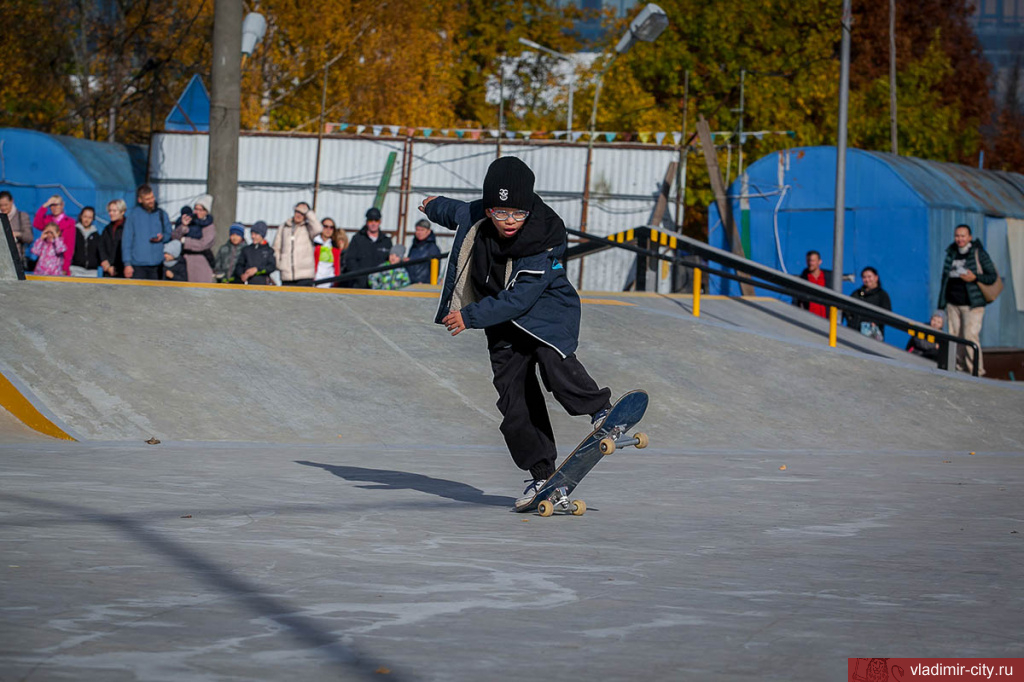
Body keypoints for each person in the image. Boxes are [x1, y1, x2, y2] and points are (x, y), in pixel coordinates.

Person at [421, 156, 613, 510]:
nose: (509, 222)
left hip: (544, 314)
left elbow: (519, 299)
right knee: (513, 402)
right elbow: (454, 211)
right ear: (489, 207)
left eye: (517, 214)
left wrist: (469, 316)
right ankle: (542, 473)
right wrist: (432, 206)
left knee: (550, 361)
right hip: (501, 326)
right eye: (500, 213)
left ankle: (600, 408)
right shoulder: (477, 214)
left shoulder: (544, 237)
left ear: (528, 210)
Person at [937, 224, 998, 376]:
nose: (960, 239)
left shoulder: (978, 253)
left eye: (963, 236)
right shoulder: (951, 253)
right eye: (957, 236)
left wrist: (975, 277)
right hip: (953, 303)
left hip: (972, 304)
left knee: (970, 336)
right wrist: (941, 304)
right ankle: (958, 369)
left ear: (969, 237)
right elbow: (944, 279)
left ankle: (976, 371)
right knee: (954, 337)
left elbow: (992, 276)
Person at [122, 185, 172, 280]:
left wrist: (163, 237)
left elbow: (169, 234)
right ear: (140, 200)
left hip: (157, 265)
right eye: (147, 199)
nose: (151, 201)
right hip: (138, 265)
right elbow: (127, 240)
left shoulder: (161, 214)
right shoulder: (133, 215)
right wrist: (127, 263)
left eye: (152, 197)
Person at [343, 207, 393, 288]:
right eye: (370, 220)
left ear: (380, 222)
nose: (373, 223)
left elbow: (390, 262)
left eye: (376, 221)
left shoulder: (386, 241)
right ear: (366, 222)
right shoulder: (357, 239)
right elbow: (350, 260)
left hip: (380, 285)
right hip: (360, 285)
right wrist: (360, 277)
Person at [172, 194, 216, 283]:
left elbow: (203, 244)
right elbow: (175, 237)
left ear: (206, 211)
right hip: (184, 261)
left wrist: (185, 241)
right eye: (195, 209)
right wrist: (183, 226)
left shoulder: (209, 227)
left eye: (200, 210)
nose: (197, 212)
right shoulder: (188, 221)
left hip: (201, 262)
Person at [273, 201, 320, 286]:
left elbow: (318, 229)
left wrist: (308, 213)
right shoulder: (284, 227)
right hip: (287, 275)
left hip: (305, 275)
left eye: (302, 213)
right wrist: (279, 264)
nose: (299, 215)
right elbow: (276, 247)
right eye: (297, 211)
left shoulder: (308, 227)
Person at [843, 266, 892, 341]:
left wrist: (875, 323)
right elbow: (847, 308)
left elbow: (887, 313)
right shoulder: (857, 293)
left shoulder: (882, 295)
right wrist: (850, 321)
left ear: (876, 277)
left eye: (869, 277)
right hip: (854, 333)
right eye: (864, 277)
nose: (867, 280)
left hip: (872, 336)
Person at [33, 195, 76, 275]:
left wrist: (65, 267)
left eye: (57, 204)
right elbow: (36, 223)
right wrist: (45, 206)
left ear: (62, 205)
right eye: (52, 205)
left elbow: (69, 246)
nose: (55, 207)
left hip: (58, 265)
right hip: (43, 266)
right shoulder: (47, 219)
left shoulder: (70, 222)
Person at [234, 221, 277, 285]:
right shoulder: (246, 250)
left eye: (256, 234)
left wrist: (257, 270)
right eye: (252, 234)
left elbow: (271, 267)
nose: (253, 236)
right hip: (247, 286)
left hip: (263, 286)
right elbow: (239, 265)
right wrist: (242, 274)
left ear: (262, 235)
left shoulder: (269, 251)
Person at [794, 250, 833, 318]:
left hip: (826, 320)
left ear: (819, 262)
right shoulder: (803, 279)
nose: (810, 263)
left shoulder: (827, 277)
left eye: (813, 261)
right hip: (809, 319)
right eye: (808, 261)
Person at [0, 191, 34, 268]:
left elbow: (29, 238)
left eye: (6, 205)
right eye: (1, 205)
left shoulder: (21, 216)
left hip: (15, 260)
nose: (3, 208)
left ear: (12, 201)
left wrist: (17, 234)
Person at [407, 218, 442, 284]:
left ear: (428, 231)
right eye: (417, 230)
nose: (419, 232)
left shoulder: (432, 248)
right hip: (411, 283)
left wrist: (426, 282)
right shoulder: (414, 246)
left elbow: (435, 269)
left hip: (424, 284)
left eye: (422, 230)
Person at [98, 199, 127, 277]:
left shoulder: (128, 228)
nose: (111, 213)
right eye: (110, 211)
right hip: (108, 270)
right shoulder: (107, 229)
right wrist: (104, 261)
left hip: (123, 270)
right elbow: (101, 246)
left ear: (122, 211)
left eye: (114, 211)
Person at [70, 206, 101, 276]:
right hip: (76, 269)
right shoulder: (74, 231)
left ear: (93, 218)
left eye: (90, 217)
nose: (87, 220)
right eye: (85, 216)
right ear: (81, 216)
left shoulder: (96, 235)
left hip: (91, 271)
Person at [313, 217, 343, 287]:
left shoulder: (335, 246)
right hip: (315, 281)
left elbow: (337, 265)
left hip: (330, 283)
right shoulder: (314, 244)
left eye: (331, 227)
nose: (328, 230)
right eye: (325, 226)